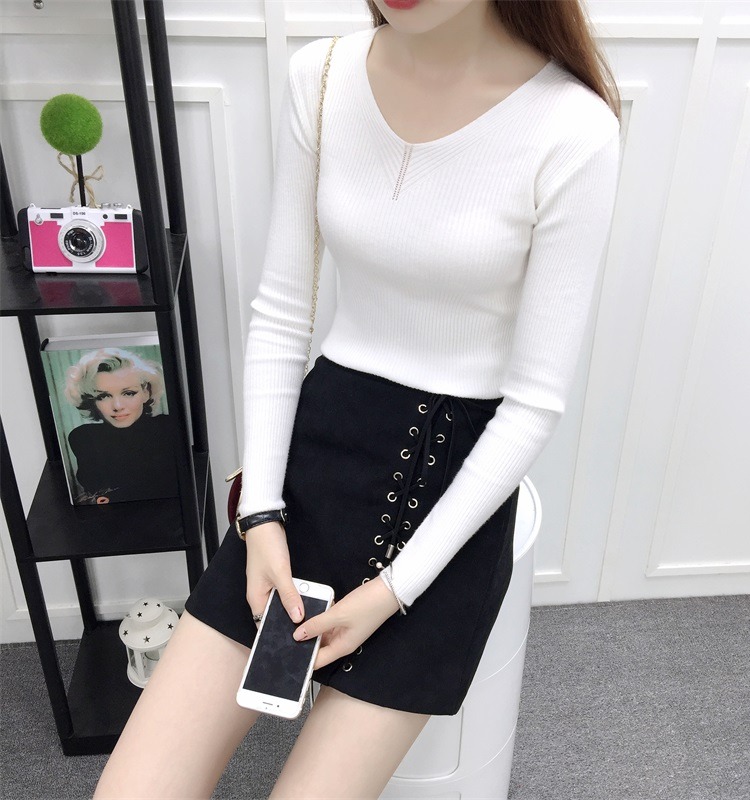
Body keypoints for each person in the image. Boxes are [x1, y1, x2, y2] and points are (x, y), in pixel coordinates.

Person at [94, 0, 621, 796]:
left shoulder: (573, 127)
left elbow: (533, 404)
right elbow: (282, 312)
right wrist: (260, 514)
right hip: (311, 471)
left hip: (447, 508)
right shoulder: (324, 75)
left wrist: (391, 592)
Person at [65, 347, 179, 503]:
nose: (117, 406)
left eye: (128, 393)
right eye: (103, 396)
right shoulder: (84, 437)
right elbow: (100, 492)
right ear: (91, 400)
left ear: (146, 392)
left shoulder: (168, 428)